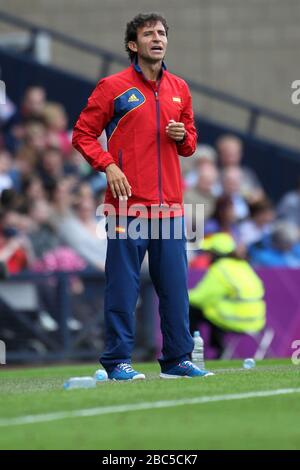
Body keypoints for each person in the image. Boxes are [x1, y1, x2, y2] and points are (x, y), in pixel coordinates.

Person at [72, 12, 214, 380]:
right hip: (126, 209)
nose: (158, 38)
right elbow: (83, 134)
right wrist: (108, 165)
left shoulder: (180, 88)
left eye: (162, 33)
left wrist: (184, 136)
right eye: (149, 33)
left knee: (175, 292)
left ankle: (177, 361)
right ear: (133, 45)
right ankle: (118, 362)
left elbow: (190, 146)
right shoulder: (112, 87)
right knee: (122, 289)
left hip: (170, 211)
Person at [189, 233, 266, 358]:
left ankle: (191, 353)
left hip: (234, 319)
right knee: (211, 310)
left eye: (209, 252)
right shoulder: (244, 266)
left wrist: (183, 296)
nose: (207, 256)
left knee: (191, 309)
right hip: (257, 320)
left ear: (215, 253)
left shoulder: (220, 269)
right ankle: (218, 348)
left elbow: (200, 298)